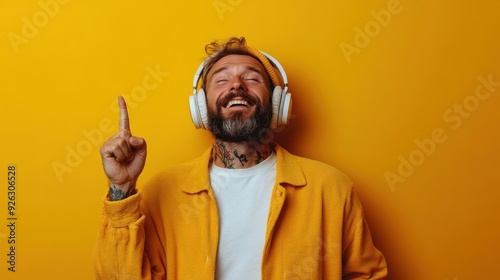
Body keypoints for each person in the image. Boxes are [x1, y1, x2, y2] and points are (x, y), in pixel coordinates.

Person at [94, 37, 387, 279]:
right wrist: (121, 190)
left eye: (251, 78)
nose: (236, 85)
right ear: (200, 107)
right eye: (221, 80)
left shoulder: (329, 188)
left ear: (277, 104)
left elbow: (366, 274)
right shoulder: (163, 192)